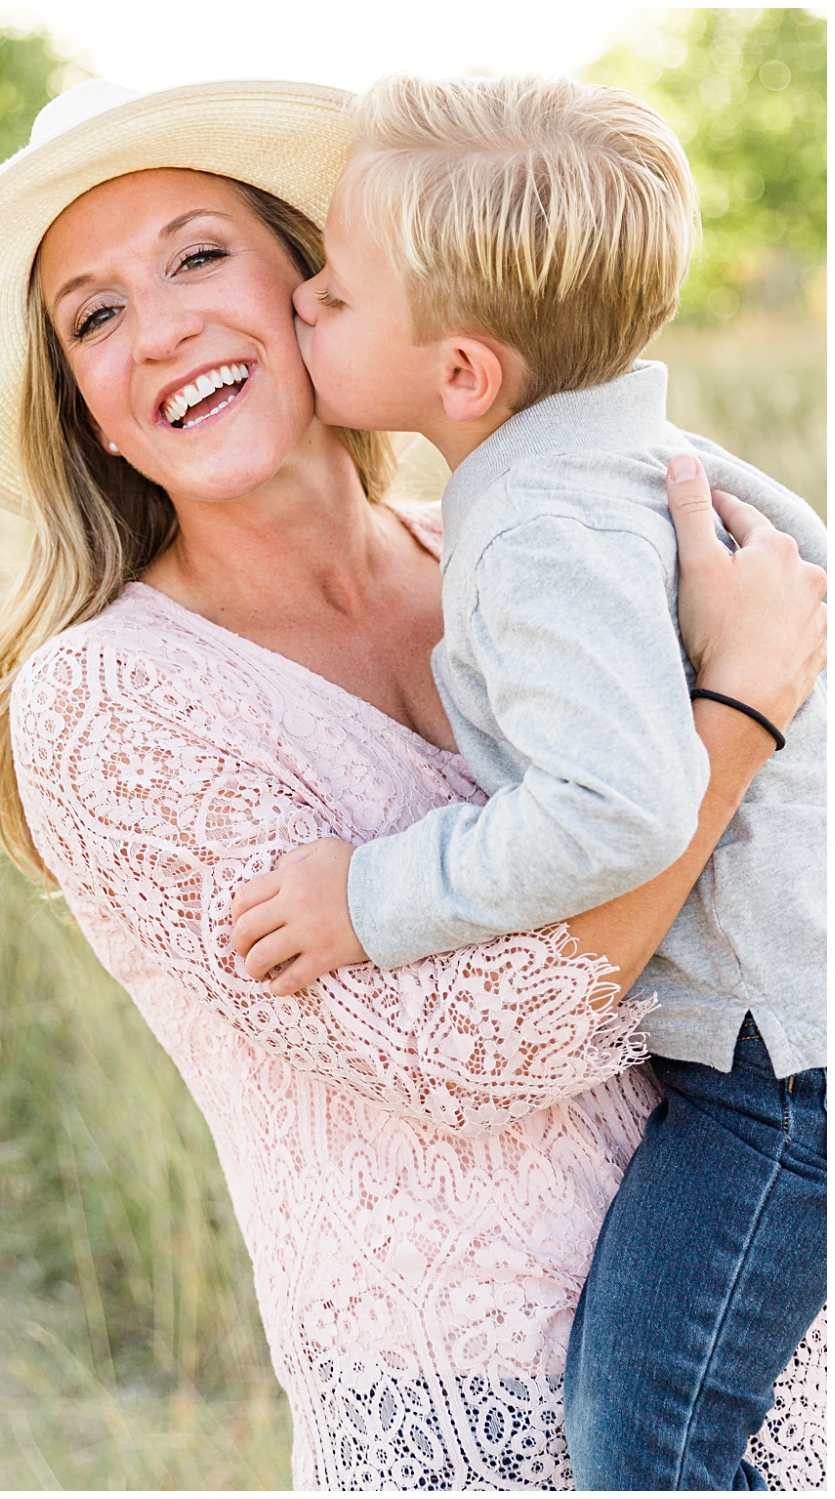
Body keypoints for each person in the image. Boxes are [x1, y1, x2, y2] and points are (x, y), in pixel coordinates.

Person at [0, 79, 826, 1489]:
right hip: (465, 1417)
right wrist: (739, 712)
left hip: (766, 1319)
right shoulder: (104, 698)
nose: (161, 328)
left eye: (199, 255)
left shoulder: (516, 538)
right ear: (86, 411)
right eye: (93, 315)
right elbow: (454, 1054)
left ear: (314, 284)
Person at [221, 74, 825, 1489]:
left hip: (781, 1078)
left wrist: (370, 895)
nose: (302, 299)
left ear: (464, 375)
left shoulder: (539, 526)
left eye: (338, 293)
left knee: (646, 1439)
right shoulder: (612, 461)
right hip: (779, 1041)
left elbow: (619, 806)